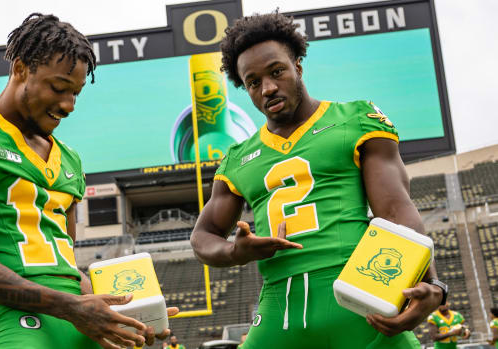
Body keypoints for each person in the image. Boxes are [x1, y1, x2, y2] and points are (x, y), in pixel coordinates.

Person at [190, 11, 445, 349]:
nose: (267, 88)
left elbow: (396, 209)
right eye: (253, 82)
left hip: (360, 299)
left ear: (298, 66)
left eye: (277, 71)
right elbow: (203, 236)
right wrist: (235, 251)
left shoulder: (355, 119)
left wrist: (433, 285)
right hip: (279, 309)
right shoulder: (237, 158)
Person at [0, 13, 177, 349]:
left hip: (77, 318)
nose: (69, 105)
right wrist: (69, 307)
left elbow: (67, 263)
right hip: (13, 317)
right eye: (59, 88)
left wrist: (125, 314)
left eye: (75, 93)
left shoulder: (69, 159)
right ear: (19, 69)